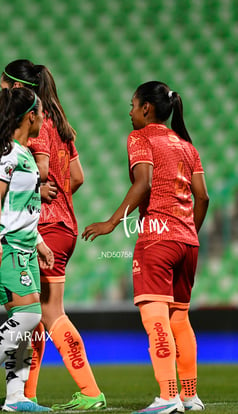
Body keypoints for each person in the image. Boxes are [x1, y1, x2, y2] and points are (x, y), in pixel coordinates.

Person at [82, 81, 209, 414]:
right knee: (180, 318)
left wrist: (110, 223)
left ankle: (168, 397)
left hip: (157, 238)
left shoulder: (140, 138)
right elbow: (203, 196)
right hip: (187, 242)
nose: (130, 111)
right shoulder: (186, 145)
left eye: (132, 104)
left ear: (146, 109)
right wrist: (188, 232)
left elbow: (144, 183)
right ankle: (189, 396)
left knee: (156, 321)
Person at [0, 59, 107, 411]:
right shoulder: (62, 123)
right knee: (38, 316)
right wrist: (59, 200)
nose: (1, 91)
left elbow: (42, 173)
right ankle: (26, 394)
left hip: (43, 227)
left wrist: (39, 194)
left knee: (49, 313)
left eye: (4, 85)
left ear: (17, 87)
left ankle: (90, 391)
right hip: (65, 225)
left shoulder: (36, 124)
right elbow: (76, 177)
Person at [0, 87, 54, 412]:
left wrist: (41, 244)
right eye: (41, 113)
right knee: (29, 315)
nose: (43, 118)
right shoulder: (7, 153)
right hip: (4, 247)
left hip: (25, 248)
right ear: (30, 116)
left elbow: (21, 207)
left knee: (29, 322)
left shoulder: (24, 153)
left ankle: (17, 397)